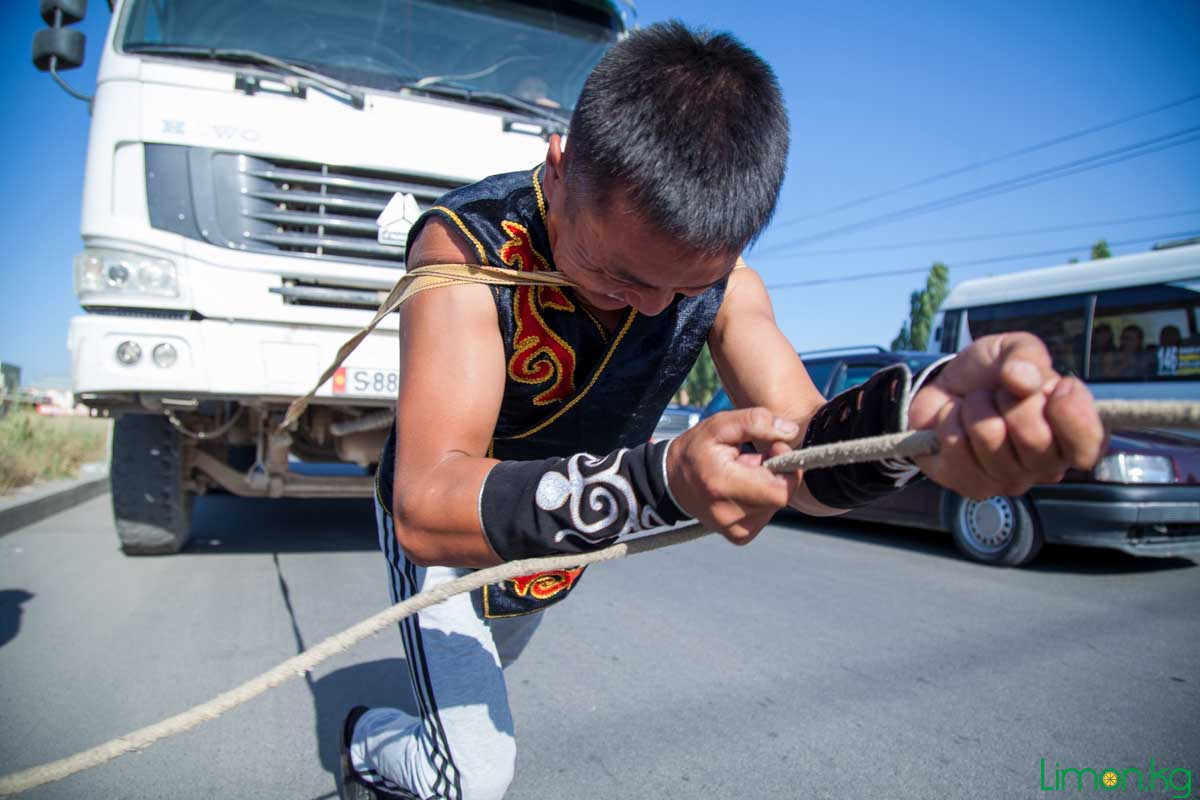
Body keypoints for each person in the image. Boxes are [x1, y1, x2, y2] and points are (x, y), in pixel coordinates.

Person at [340, 21, 1105, 800]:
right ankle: (366, 742)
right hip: (455, 526)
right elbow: (427, 502)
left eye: (678, 288)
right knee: (468, 775)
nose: (646, 307)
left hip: (554, 546)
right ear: (561, 167)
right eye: (615, 273)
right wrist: (661, 482)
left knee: (481, 672)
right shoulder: (464, 246)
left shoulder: (727, 284)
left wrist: (916, 426)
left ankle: (414, 723)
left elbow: (805, 455)